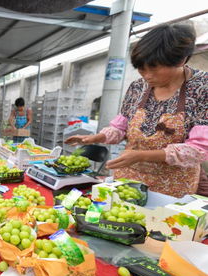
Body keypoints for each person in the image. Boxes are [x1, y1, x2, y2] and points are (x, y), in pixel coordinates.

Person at [65, 23, 207, 198]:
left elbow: (198, 150)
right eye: (141, 68)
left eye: (154, 68)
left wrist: (141, 155)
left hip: (172, 188)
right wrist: (96, 137)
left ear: (181, 60)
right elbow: (121, 127)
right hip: (128, 181)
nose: (146, 76)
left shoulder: (202, 88)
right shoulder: (137, 88)